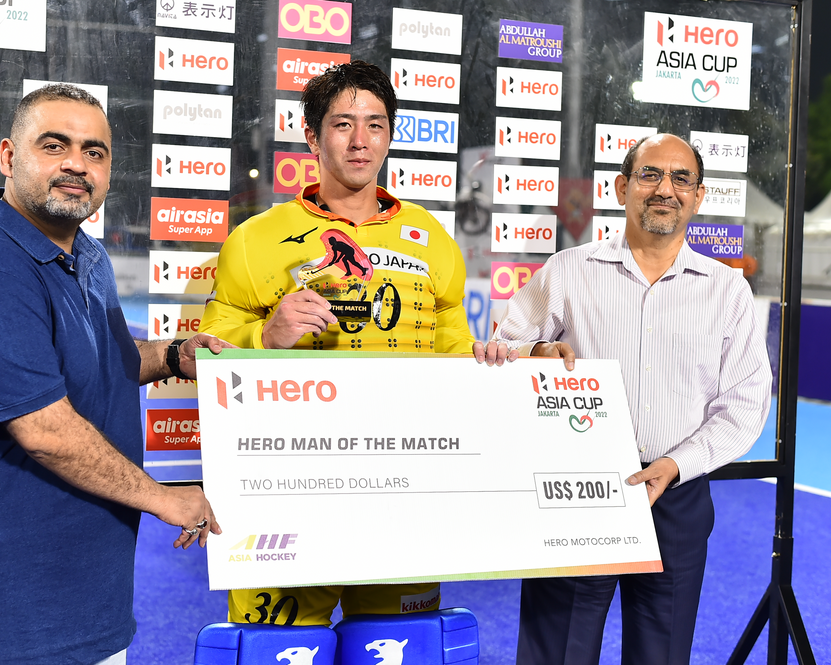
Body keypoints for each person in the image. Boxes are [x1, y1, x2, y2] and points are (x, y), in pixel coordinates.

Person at [0, 84, 230, 665]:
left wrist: (173, 356)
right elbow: (44, 429)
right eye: (54, 145)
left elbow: (105, 358)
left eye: (94, 152)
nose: (77, 163)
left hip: (83, 603)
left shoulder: (86, 255)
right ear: (8, 157)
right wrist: (162, 498)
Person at [199, 60, 514, 626]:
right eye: (343, 124)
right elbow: (207, 352)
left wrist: (481, 362)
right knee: (279, 652)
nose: (360, 140)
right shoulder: (254, 240)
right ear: (311, 135)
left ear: (390, 135)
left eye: (375, 124)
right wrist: (263, 336)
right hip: (292, 490)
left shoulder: (431, 237)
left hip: (404, 489)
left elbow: (448, 344)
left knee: (397, 649)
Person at [480, 133, 772, 664]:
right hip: (576, 491)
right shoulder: (569, 270)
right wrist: (536, 353)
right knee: (557, 654)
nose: (665, 189)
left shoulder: (727, 290)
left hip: (677, 494)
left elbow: (746, 404)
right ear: (621, 188)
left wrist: (676, 465)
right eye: (650, 175)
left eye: (681, 178)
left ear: (698, 196)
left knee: (661, 655)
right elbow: (503, 348)